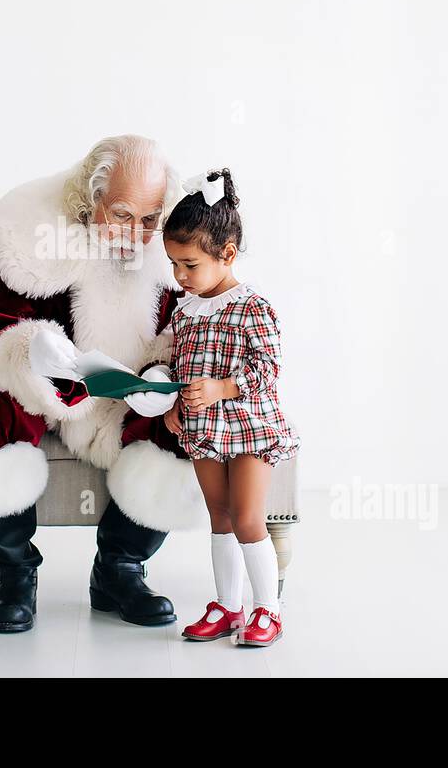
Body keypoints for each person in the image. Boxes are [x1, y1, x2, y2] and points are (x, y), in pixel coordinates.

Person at [0, 135, 208, 633]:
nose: (136, 234)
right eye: (122, 215)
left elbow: (188, 330)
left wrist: (159, 374)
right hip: (42, 389)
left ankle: (120, 569)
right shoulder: (30, 236)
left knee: (184, 419)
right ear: (92, 198)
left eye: (150, 219)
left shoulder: (171, 256)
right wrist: (34, 349)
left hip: (123, 399)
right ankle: (14, 570)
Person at [162, 168, 299, 647]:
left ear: (227, 254)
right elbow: (180, 365)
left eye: (190, 265)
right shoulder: (184, 311)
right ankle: (227, 605)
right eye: (173, 265)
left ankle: (269, 609)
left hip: (248, 426)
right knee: (218, 517)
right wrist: (173, 402)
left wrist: (221, 388)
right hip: (203, 427)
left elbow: (267, 370)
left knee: (246, 518)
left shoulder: (252, 307)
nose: (180, 276)